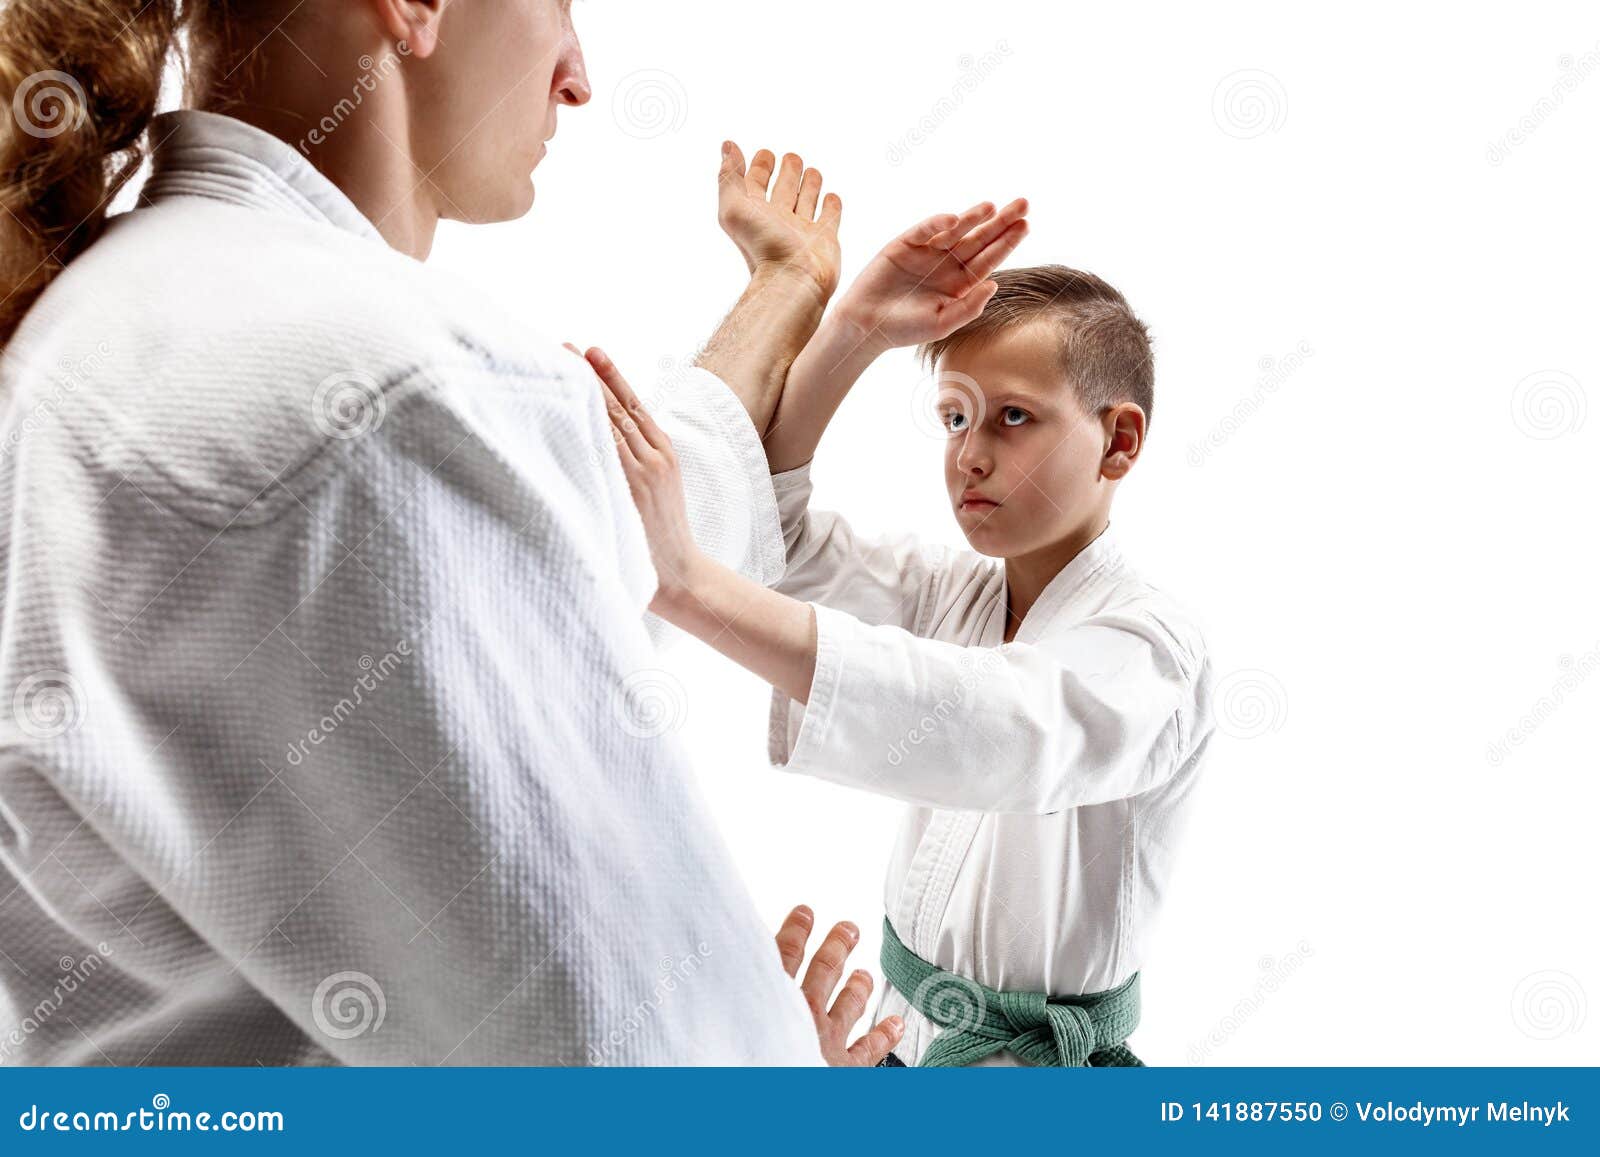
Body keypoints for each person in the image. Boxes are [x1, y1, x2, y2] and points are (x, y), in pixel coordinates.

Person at [0, 0, 896, 1065]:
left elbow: (638, 507)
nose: (577, 75)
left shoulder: (89, 321)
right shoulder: (395, 392)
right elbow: (630, 1069)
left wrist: (785, 292)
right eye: (559, 8)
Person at [597, 219, 1217, 1064]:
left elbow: (997, 729)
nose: (971, 454)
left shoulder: (1154, 651)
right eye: (956, 417)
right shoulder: (952, 593)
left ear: (1119, 440)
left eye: (1013, 417)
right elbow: (775, 536)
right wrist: (855, 328)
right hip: (900, 1045)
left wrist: (690, 583)